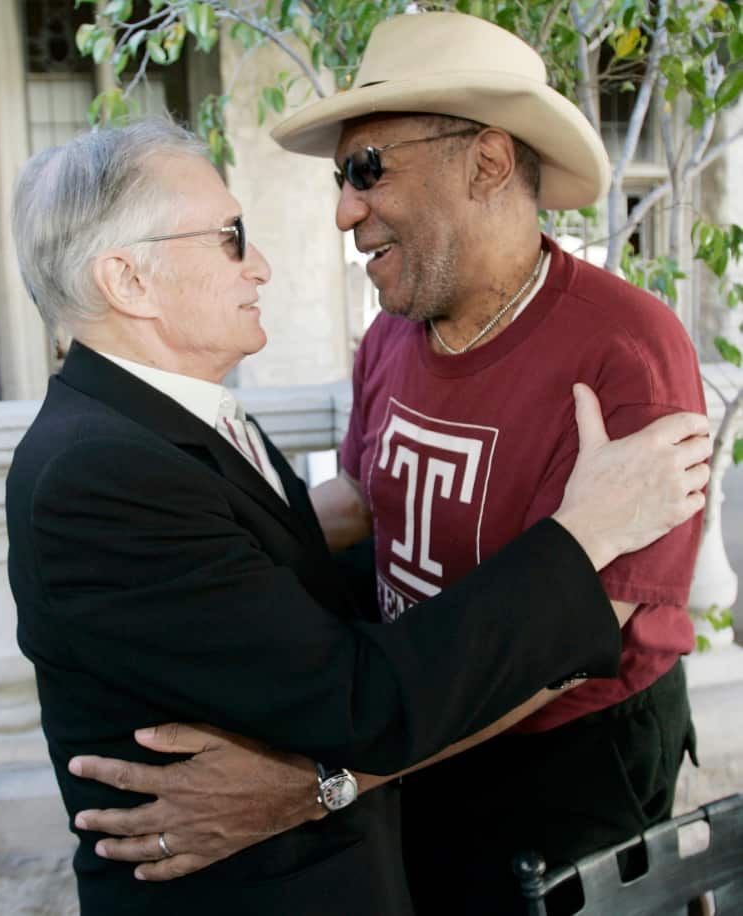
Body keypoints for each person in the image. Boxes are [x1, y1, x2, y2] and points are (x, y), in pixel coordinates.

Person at [69, 12, 711, 915]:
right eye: (339, 179)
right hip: (409, 723)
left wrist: (314, 784)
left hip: (563, 759)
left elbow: (569, 644)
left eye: (368, 169)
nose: (344, 209)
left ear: (486, 162)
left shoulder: (624, 349)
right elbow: (367, 498)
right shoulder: (392, 334)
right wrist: (197, 551)